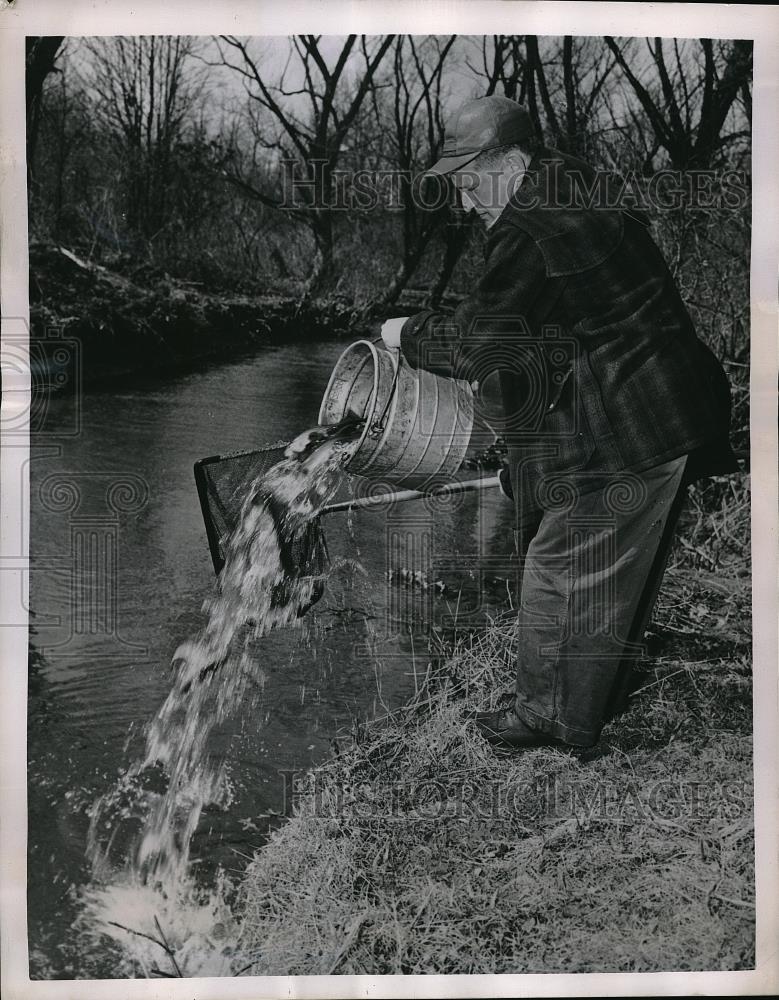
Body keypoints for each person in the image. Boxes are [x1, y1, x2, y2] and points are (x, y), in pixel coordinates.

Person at [380, 95, 738, 751]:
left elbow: (482, 345)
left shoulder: (533, 222)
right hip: (649, 406)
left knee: (567, 566)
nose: (462, 201)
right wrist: (520, 457)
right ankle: (558, 708)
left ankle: (559, 727)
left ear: (507, 159)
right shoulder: (564, 185)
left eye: (466, 180)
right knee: (579, 567)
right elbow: (543, 340)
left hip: (633, 422)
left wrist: (403, 334)